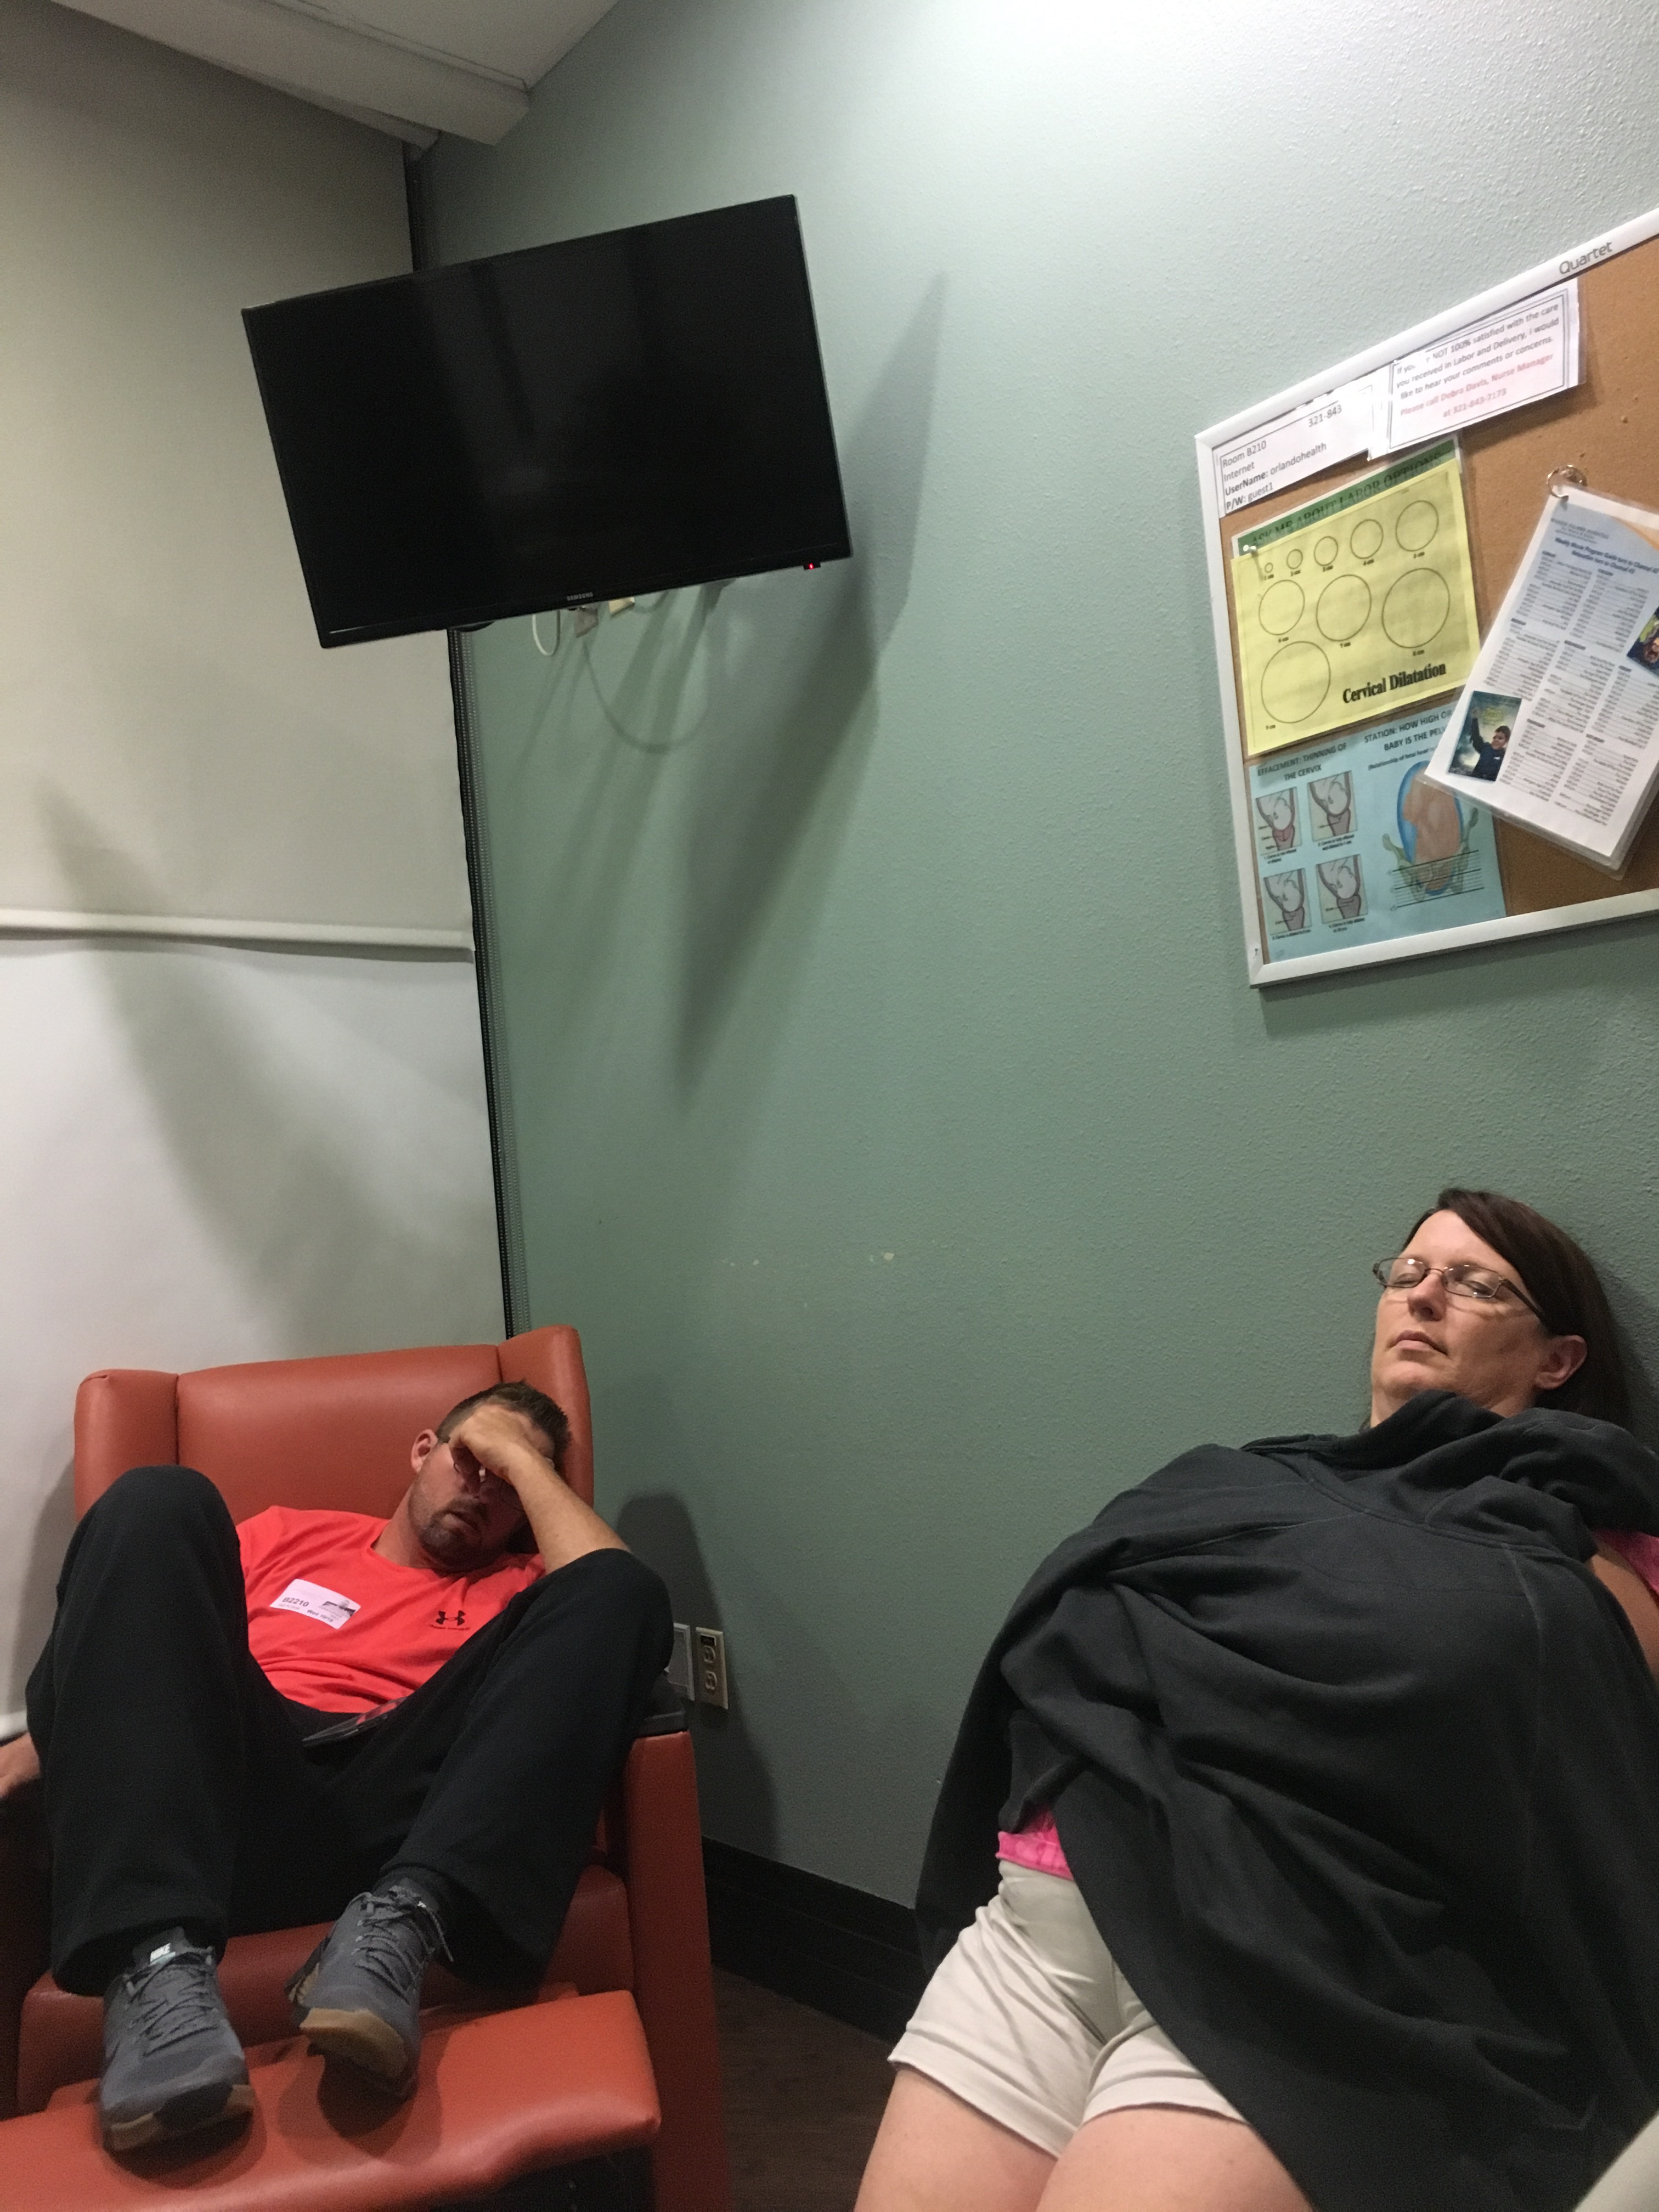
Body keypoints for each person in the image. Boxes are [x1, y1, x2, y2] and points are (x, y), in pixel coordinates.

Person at [855, 1190, 1659, 2212]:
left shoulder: (1596, 1550)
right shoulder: (1254, 1482)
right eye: (1410, 1273)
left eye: (1476, 1284)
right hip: (1044, 1929)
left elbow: (1588, 1757)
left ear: (1558, 1358)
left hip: (1288, 1979)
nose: (1424, 1298)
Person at [0, 1379, 671, 2152]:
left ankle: (399, 1928)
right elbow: (149, 1633)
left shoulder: (528, 1586)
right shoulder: (289, 1536)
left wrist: (521, 1460)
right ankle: (155, 1970)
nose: (483, 1488)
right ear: (422, 1450)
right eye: (470, 1457)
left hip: (407, 1807)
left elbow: (614, 1593)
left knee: (621, 1586)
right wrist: (47, 1744)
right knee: (157, 1499)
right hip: (234, 1785)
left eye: (509, 1482)